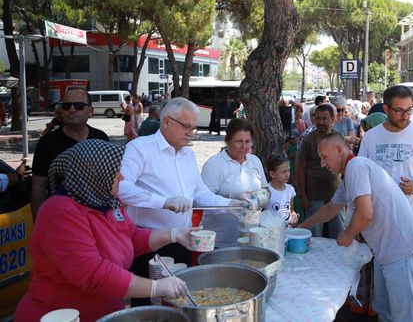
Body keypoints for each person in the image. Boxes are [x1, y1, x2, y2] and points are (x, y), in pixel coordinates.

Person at [16, 140, 193, 322]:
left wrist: (174, 234)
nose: (122, 177)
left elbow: (131, 237)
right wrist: (156, 287)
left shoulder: (107, 201)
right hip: (62, 314)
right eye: (116, 171)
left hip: (106, 312)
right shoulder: (59, 211)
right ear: (93, 173)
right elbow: (93, 273)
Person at [118, 98, 246, 305]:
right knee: (149, 304)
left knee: (181, 302)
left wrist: (229, 205)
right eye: (186, 127)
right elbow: (122, 189)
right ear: (166, 122)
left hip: (183, 239)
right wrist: (164, 201)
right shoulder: (140, 148)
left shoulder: (188, 155)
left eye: (194, 128)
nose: (191, 133)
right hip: (149, 241)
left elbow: (201, 193)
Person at [299, 133, 413, 321]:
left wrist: (348, 235)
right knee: (384, 311)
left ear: (339, 150)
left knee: (405, 317)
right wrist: (302, 226)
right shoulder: (350, 174)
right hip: (386, 254)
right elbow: (330, 209)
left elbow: (365, 213)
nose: (322, 164)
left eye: (324, 157)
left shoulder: (356, 166)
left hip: (404, 253)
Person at [357, 85, 413, 312]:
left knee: (411, 296)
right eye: (399, 111)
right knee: (384, 295)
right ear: (385, 108)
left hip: (412, 224)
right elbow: (361, 176)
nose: (405, 116)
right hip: (380, 226)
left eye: (410, 110)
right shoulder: (371, 138)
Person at [31, 88, 109, 218]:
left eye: (78, 106)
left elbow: (111, 181)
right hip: (62, 219)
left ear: (90, 111)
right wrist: (39, 223)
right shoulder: (47, 143)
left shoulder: (101, 138)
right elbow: (38, 187)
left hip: (98, 216)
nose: (71, 110)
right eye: (66, 106)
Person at [201, 118, 266, 247]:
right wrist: (232, 198)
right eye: (239, 141)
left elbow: (264, 188)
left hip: (251, 236)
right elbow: (203, 201)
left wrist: (262, 198)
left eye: (248, 141)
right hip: (221, 239)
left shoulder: (254, 161)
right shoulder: (214, 164)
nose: (244, 146)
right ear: (227, 141)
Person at [296, 104, 344, 239]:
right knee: (315, 237)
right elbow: (300, 167)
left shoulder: (338, 137)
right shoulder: (308, 140)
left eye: (324, 118)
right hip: (314, 196)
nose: (320, 122)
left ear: (333, 119)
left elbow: (345, 164)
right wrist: (303, 195)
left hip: (336, 195)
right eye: (317, 118)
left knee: (338, 234)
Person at [263, 154, 297, 224]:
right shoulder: (266, 191)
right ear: (272, 174)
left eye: (289, 170)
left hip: (287, 231)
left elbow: (291, 210)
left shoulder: (290, 189)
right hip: (271, 232)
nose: (288, 174)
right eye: (284, 171)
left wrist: (294, 215)